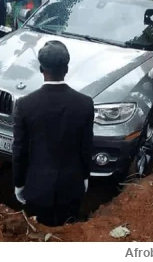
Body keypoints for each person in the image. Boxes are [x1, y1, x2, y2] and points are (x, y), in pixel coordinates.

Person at [12, 40, 94, 227]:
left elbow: (20, 150)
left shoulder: (25, 105)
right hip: (72, 187)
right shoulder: (85, 103)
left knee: (38, 235)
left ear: (41, 69)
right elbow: (86, 146)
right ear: (66, 69)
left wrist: (19, 183)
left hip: (37, 189)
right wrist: (85, 176)